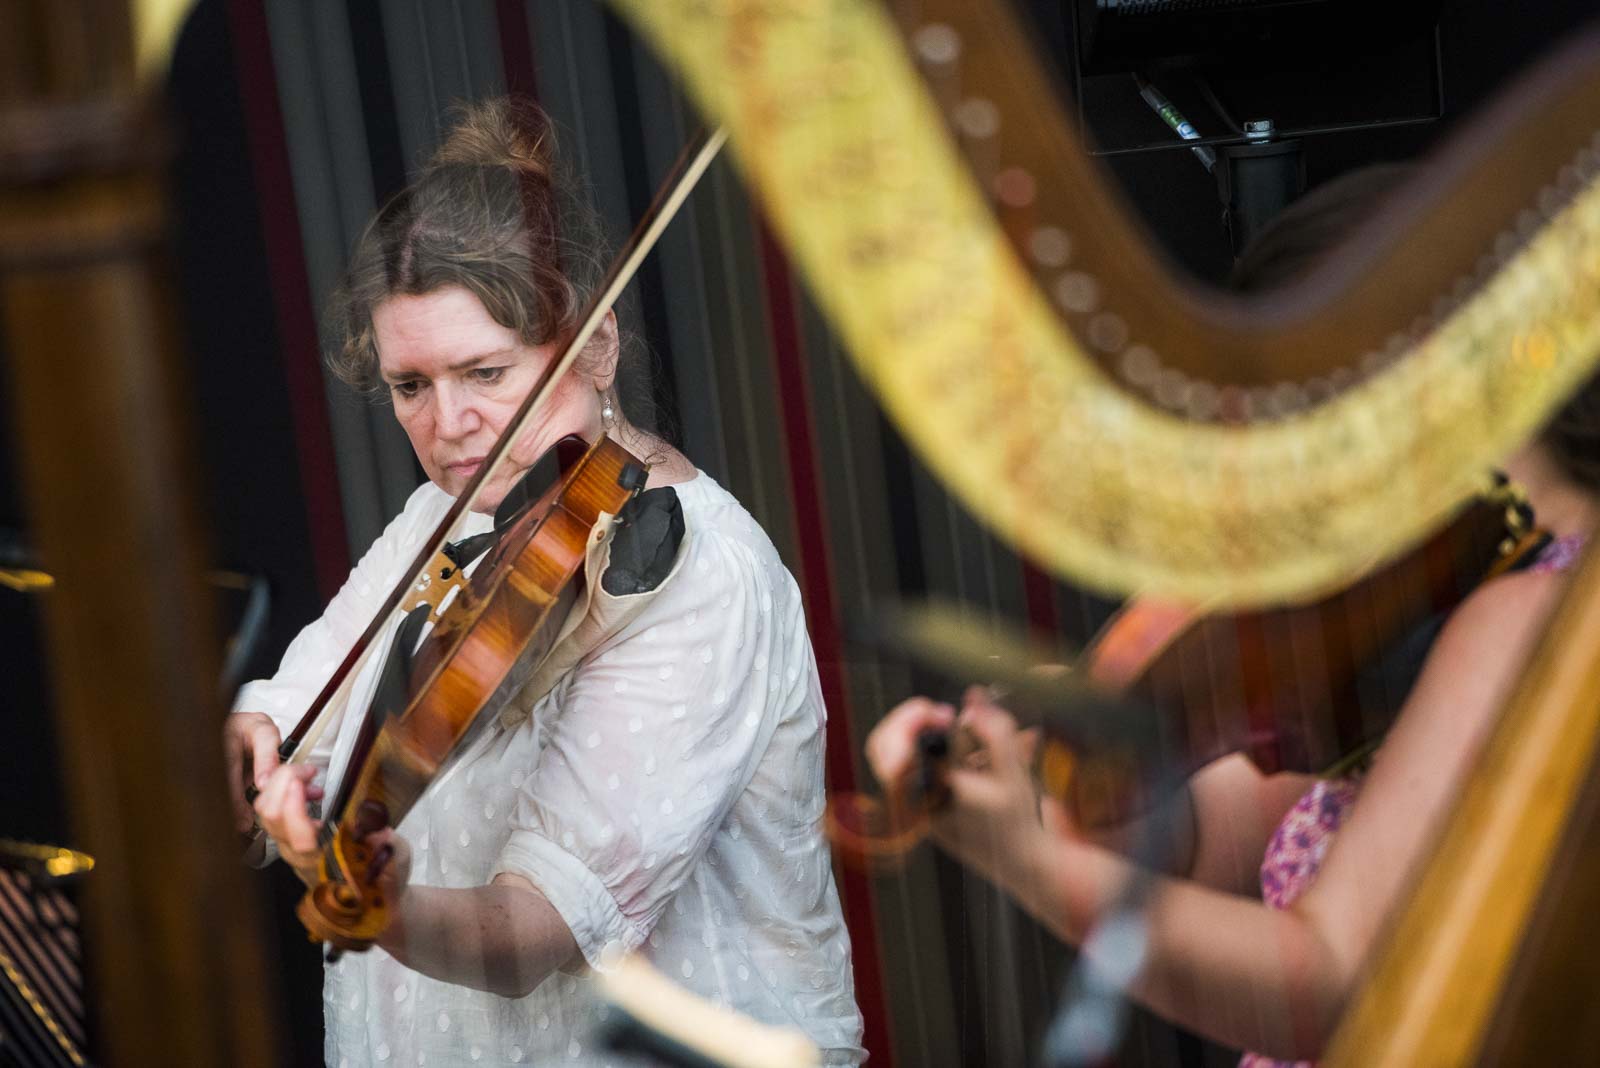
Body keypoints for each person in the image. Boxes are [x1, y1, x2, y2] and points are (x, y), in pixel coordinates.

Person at [864, 166, 1600, 1065]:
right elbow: (1218, 834)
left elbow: (1333, 985)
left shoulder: (1540, 618)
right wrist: (1106, 762)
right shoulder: (1458, 604)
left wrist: (1027, 859)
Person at [223, 97, 864, 1067]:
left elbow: (535, 932)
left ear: (595, 343)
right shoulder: (448, 518)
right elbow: (296, 713)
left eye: (485, 372)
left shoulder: (703, 576)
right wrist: (250, 750)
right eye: (410, 386)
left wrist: (372, 904)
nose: (447, 425)